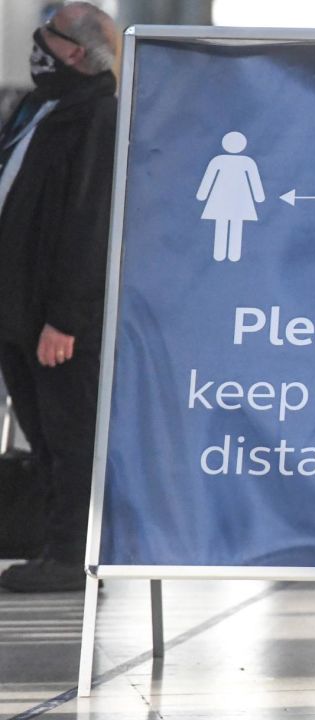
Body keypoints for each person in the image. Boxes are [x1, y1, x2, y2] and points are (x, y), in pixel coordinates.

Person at [0, 2, 119, 593]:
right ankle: (52, 548)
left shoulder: (97, 115)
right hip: (19, 311)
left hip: (57, 319)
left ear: (75, 51)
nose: (36, 45)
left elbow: (88, 223)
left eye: (45, 36)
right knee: (40, 433)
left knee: (68, 434)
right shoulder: (41, 107)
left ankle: (73, 556)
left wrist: (65, 318)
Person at [196, 131, 265, 262]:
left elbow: (208, 179)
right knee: (235, 224)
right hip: (237, 198)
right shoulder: (246, 161)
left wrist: (202, 195)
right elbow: (254, 181)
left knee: (225, 223)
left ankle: (222, 254)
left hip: (222, 197)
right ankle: (231, 254)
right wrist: (258, 196)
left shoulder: (220, 160)